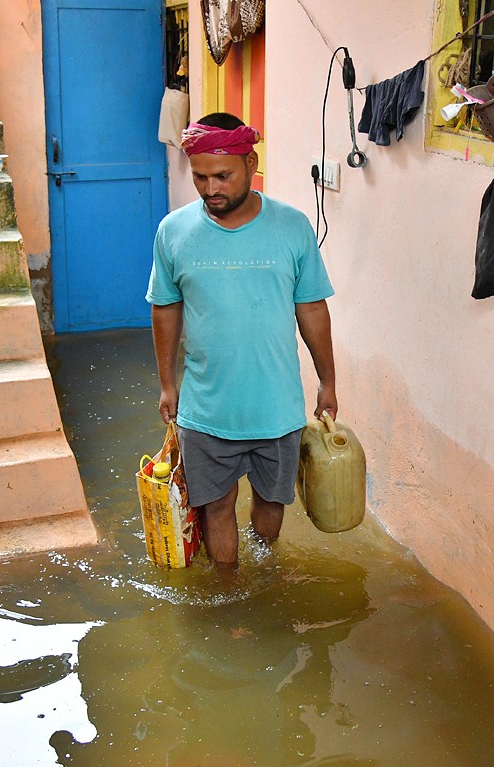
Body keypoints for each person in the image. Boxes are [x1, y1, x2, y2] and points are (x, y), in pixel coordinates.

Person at [146, 112, 337, 567]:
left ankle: (263, 583)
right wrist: (168, 384)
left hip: (277, 407)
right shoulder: (174, 231)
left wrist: (328, 382)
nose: (211, 188)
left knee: (272, 506)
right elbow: (164, 308)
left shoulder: (291, 227)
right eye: (200, 177)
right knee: (215, 506)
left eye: (222, 176)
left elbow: (311, 308)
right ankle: (229, 595)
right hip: (206, 408)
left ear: (251, 163)